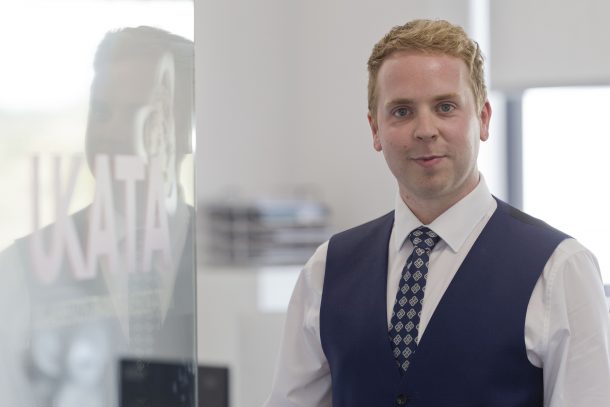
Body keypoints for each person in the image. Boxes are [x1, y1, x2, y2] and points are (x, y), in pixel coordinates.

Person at [264, 19, 610, 407]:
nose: (425, 130)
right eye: (402, 111)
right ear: (375, 129)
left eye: (445, 107)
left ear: (483, 118)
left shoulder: (560, 270)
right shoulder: (326, 269)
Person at [0, 26, 196, 407]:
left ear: (187, 132)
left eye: (141, 115)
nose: (113, 133)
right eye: (102, 112)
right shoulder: (19, 272)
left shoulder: (221, 264)